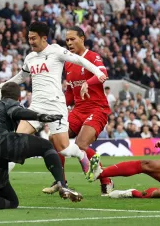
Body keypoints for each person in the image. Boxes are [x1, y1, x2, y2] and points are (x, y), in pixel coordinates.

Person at [0, 22, 106, 190]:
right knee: (15, 140)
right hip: (36, 106)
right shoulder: (30, 57)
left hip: (56, 106)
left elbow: (80, 60)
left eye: (34, 38)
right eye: (29, 38)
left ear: (44, 38)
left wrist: (98, 73)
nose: (31, 42)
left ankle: (81, 156)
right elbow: (20, 77)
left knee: (63, 149)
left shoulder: (56, 51)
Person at [0, 82, 82, 212]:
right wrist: (39, 116)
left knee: (12, 201)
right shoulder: (9, 103)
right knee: (46, 146)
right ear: (19, 98)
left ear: (1, 95)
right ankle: (62, 184)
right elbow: (16, 111)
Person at [42, 26, 113, 196]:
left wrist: (89, 82)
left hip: (97, 109)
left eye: (72, 39)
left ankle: (106, 180)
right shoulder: (69, 62)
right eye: (67, 40)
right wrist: (56, 105)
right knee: (54, 137)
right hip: (78, 110)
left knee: (81, 145)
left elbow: (103, 74)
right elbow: (70, 93)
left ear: (82, 38)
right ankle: (61, 181)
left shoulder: (93, 57)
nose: (69, 43)